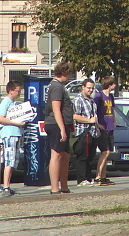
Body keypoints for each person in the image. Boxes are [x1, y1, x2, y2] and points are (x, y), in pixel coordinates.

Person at [43, 62, 74, 194]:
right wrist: (62, 129)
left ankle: (64, 186)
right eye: (69, 73)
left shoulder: (57, 86)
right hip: (56, 124)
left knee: (65, 155)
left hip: (62, 123)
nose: (70, 76)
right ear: (64, 73)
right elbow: (56, 109)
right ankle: (55, 188)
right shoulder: (56, 87)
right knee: (56, 154)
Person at [0, 80, 26, 195]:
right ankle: (5, 187)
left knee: (14, 160)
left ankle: (8, 185)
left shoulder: (15, 103)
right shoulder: (6, 102)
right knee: (9, 160)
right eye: (18, 91)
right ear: (11, 91)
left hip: (16, 133)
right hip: (9, 133)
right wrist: (16, 123)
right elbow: (0, 118)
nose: (19, 93)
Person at [72, 78, 98, 187]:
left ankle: (88, 178)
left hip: (93, 132)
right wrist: (89, 121)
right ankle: (81, 179)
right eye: (88, 88)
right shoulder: (78, 100)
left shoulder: (91, 101)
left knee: (89, 157)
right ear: (83, 87)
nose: (90, 90)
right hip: (83, 132)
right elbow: (75, 116)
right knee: (82, 156)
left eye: (92, 88)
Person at [91, 76, 116, 186]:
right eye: (114, 83)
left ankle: (103, 176)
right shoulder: (99, 96)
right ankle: (98, 176)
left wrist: (114, 121)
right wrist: (97, 123)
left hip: (110, 127)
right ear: (110, 85)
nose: (115, 85)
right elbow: (93, 111)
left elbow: (112, 109)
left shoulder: (111, 96)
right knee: (105, 152)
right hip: (102, 127)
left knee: (108, 152)